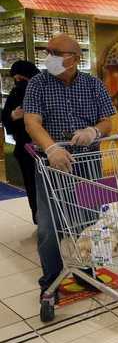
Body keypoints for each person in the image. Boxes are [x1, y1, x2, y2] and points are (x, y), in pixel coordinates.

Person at [23, 33, 115, 297]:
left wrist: (93, 132)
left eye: (56, 52)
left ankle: (87, 271)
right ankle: (50, 280)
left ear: (74, 58)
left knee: (89, 220)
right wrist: (51, 148)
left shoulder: (93, 84)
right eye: (48, 51)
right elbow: (32, 122)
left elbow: (108, 121)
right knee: (50, 225)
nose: (49, 56)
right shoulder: (38, 84)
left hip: (88, 162)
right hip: (52, 165)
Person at [1, 60, 40, 223]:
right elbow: (5, 116)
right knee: (32, 185)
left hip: (44, 147)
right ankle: (40, 219)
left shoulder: (42, 89)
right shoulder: (16, 92)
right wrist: (13, 116)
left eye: (22, 78)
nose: (18, 81)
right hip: (26, 149)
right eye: (15, 78)